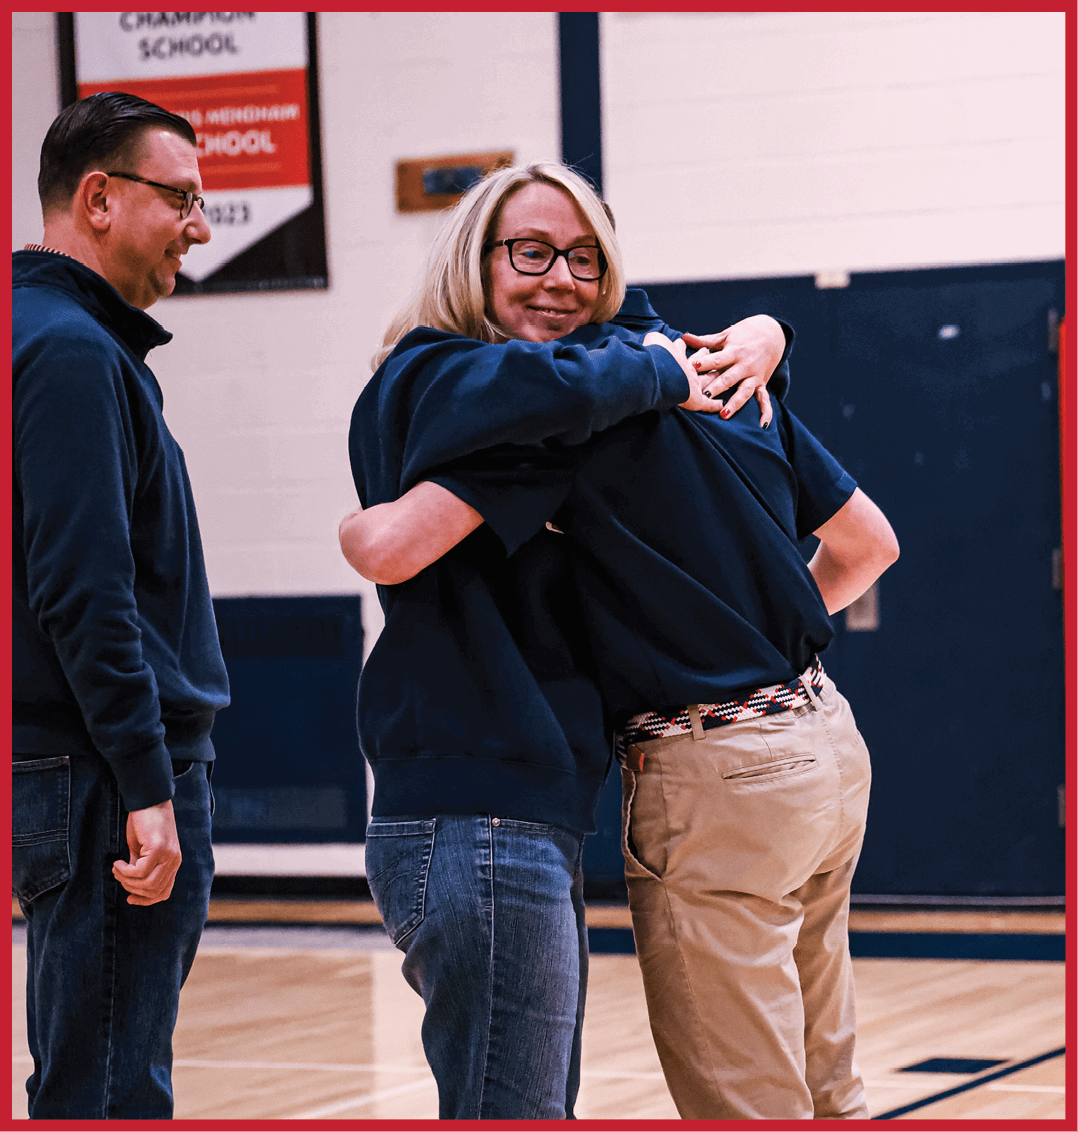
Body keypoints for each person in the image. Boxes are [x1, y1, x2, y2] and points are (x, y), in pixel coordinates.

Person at [343, 185, 900, 1117]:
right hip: (826, 745)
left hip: (711, 760)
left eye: (582, 257)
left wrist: (357, 533)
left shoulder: (569, 410)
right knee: (823, 1075)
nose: (561, 277)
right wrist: (762, 632)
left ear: (608, 270)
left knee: (744, 1101)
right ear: (473, 259)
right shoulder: (722, 374)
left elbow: (386, 544)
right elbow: (871, 545)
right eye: (530, 253)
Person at [12, 91, 229, 1119]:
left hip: (85, 765)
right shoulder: (66, 352)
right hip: (104, 776)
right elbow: (82, 590)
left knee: (94, 1073)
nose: (198, 226)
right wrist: (146, 782)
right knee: (105, 1090)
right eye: (181, 199)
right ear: (99, 197)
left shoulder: (57, 339)